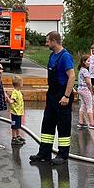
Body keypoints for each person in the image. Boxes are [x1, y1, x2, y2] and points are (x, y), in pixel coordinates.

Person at [30, 31, 75, 165]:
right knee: (47, 124)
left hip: (62, 95)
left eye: (48, 41)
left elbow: (72, 76)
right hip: (52, 94)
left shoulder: (65, 56)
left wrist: (66, 96)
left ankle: (63, 155)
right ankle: (44, 153)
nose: (46, 43)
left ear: (55, 41)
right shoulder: (52, 55)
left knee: (63, 126)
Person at [76, 54, 94, 130]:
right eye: (88, 61)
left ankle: (80, 122)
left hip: (80, 89)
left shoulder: (81, 70)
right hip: (85, 90)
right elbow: (88, 82)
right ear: (84, 62)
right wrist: (91, 90)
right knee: (90, 106)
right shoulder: (85, 71)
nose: (90, 62)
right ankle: (92, 123)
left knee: (83, 105)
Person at [9, 75, 26, 146]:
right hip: (15, 113)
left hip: (19, 112)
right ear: (19, 84)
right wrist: (10, 101)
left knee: (18, 125)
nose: (23, 84)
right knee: (14, 126)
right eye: (22, 82)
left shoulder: (18, 91)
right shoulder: (15, 92)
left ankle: (18, 136)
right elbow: (12, 100)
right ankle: (14, 138)